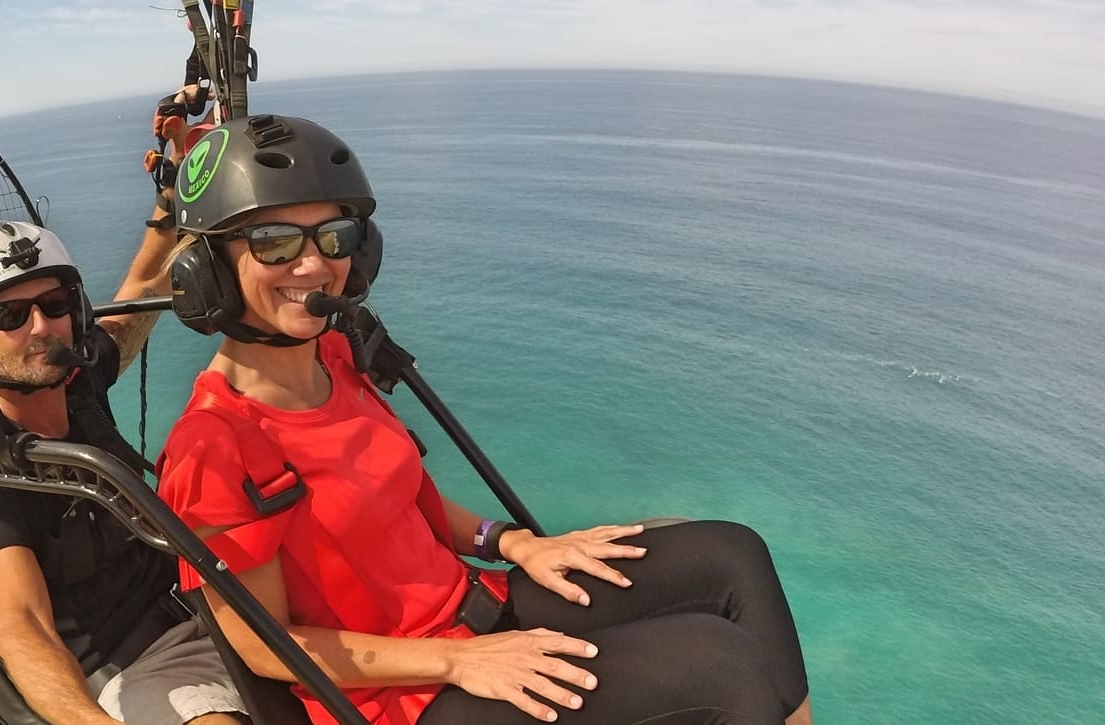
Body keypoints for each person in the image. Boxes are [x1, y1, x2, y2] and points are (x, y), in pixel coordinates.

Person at [155, 114, 814, 725]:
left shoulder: (332, 355)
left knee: (733, 556)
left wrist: (514, 542)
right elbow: (270, 646)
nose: (312, 263)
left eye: (333, 236)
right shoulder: (211, 445)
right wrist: (457, 661)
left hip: (478, 611)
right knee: (720, 664)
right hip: (408, 696)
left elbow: (402, 501)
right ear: (209, 270)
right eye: (272, 242)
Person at [0, 213, 247, 725]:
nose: (41, 327)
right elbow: (22, 623)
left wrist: (168, 203)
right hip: (141, 666)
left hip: (212, 605)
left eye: (55, 305)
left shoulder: (78, 387)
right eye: (10, 316)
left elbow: (141, 289)